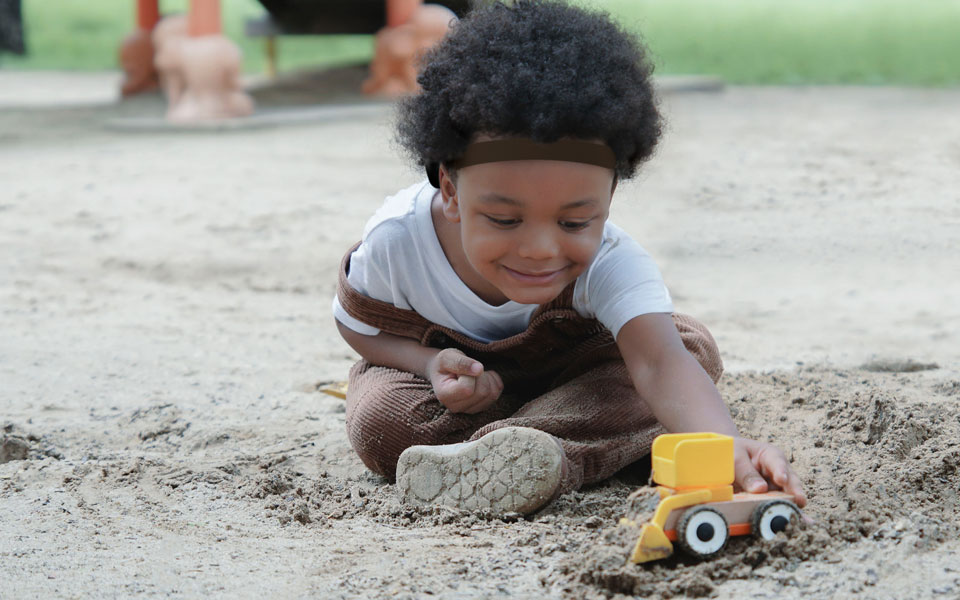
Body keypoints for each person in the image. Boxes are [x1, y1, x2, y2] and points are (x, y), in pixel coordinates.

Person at [333, 0, 807, 515]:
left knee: (691, 349)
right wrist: (428, 364)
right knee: (381, 418)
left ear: (609, 197)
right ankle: (577, 443)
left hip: (572, 379)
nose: (540, 249)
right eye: (505, 220)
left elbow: (658, 362)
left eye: (575, 222)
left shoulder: (613, 260)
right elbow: (360, 328)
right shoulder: (398, 240)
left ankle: (524, 450)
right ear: (450, 189)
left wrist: (724, 448)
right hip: (455, 398)